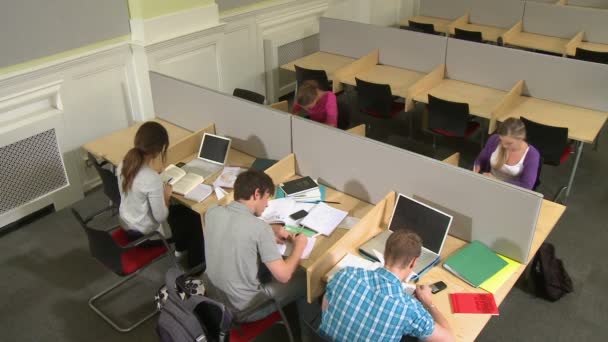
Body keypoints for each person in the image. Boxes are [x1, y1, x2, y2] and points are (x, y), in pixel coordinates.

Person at [203, 170, 310, 324]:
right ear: (256, 194)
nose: (267, 204)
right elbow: (284, 275)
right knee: (306, 279)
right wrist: (299, 246)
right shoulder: (259, 229)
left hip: (214, 297)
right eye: (266, 198)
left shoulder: (212, 212)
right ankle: (305, 333)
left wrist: (269, 230)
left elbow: (235, 227)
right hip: (244, 310)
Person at [320, 230, 454, 342]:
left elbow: (325, 307)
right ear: (413, 263)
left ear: (384, 253)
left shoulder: (346, 274)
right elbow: (448, 339)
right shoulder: (409, 309)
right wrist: (429, 303)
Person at [117, 121, 203, 267]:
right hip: (147, 236)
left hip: (127, 223)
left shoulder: (124, 164)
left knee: (181, 212)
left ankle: (181, 250)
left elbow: (138, 187)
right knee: (195, 219)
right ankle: (195, 267)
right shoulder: (151, 178)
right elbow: (161, 216)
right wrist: (166, 196)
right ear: (160, 150)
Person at [473, 118, 540, 190]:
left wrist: (496, 181)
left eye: (509, 143)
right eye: (501, 140)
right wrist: (477, 165)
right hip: (489, 184)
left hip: (513, 191)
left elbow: (526, 186)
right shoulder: (494, 139)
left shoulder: (532, 155)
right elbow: (481, 159)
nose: (504, 145)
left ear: (521, 138)